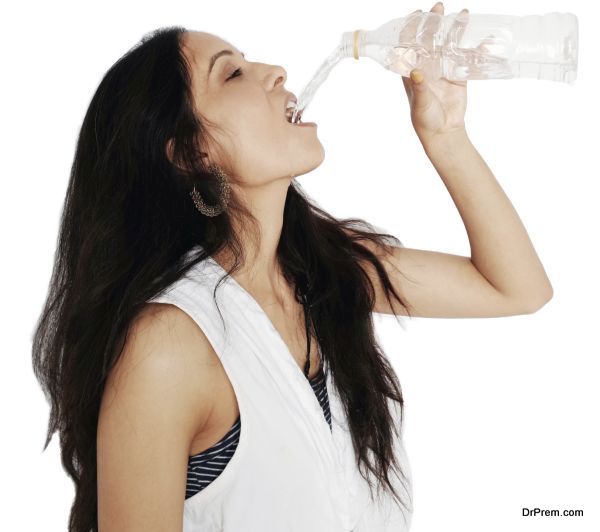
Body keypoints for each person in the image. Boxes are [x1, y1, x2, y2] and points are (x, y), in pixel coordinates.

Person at [31, 3, 553, 531]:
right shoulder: (168, 345)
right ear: (192, 150)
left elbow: (517, 289)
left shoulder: (326, 269)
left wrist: (445, 135)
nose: (276, 71)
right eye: (232, 72)